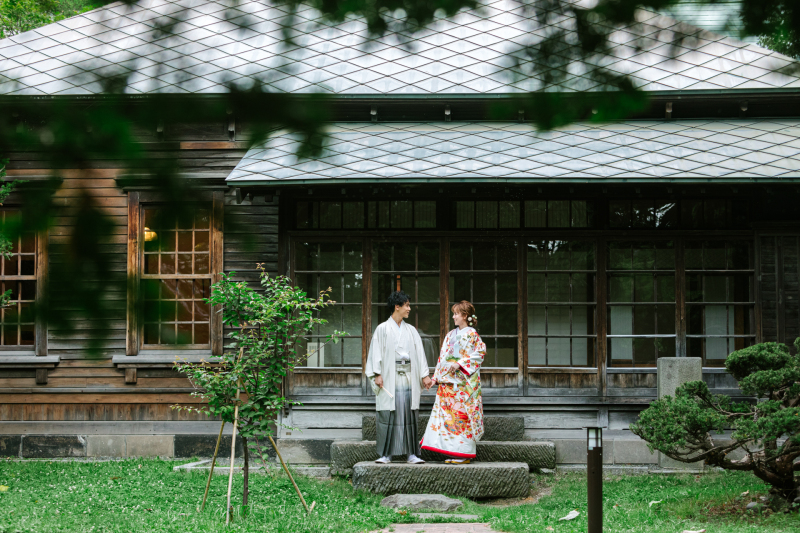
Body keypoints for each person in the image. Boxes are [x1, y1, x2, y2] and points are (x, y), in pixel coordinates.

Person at [366, 290, 434, 464]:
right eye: (407, 305)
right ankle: (386, 454)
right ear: (397, 306)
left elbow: (419, 354)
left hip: (409, 377)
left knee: (408, 414)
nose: (409, 309)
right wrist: (377, 374)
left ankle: (411, 454)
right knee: (388, 414)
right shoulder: (382, 329)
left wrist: (425, 375)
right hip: (389, 377)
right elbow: (375, 352)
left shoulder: (411, 331)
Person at [420, 301, 485, 464]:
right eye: (454, 314)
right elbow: (442, 358)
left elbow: (480, 353)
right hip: (448, 384)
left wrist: (460, 364)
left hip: (463, 386)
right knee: (449, 420)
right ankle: (454, 452)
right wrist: (435, 378)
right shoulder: (450, 335)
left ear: (465, 315)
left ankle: (464, 453)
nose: (454, 317)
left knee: (462, 418)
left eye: (456, 314)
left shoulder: (473, 335)